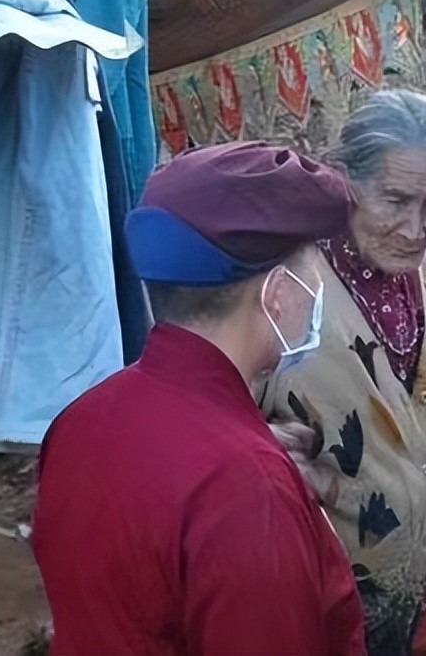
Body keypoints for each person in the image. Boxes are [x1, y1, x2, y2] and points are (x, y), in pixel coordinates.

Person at [32, 142, 366, 655]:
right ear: (279, 292)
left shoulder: (80, 420)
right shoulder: (246, 480)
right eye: (316, 274)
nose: (320, 292)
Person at [262, 89, 426, 655]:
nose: (416, 229)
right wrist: (261, 449)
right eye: (395, 200)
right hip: (323, 599)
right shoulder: (285, 293)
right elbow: (215, 434)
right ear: (344, 182)